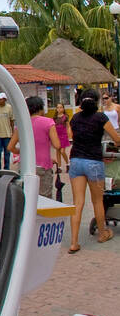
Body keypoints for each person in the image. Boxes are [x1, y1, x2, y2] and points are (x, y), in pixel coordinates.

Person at [67, 88, 120, 252]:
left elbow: (71, 136)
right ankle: (103, 233)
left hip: (76, 161)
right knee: (97, 201)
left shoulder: (75, 118)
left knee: (77, 203)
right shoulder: (100, 118)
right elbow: (116, 138)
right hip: (94, 163)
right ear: (97, 101)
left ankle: (74, 242)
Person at [7, 96, 61, 199]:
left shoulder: (22, 124)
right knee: (44, 199)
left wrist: (22, 151)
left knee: (27, 198)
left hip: (25, 166)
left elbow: (10, 147)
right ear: (41, 108)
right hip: (43, 167)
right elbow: (57, 145)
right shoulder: (48, 122)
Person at [53, 103, 71, 173]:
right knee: (58, 151)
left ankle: (68, 164)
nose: (59, 109)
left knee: (62, 151)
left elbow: (68, 126)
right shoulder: (54, 118)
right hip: (57, 136)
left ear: (63, 109)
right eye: (58, 107)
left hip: (63, 136)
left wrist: (69, 134)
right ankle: (59, 167)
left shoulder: (65, 117)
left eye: (61, 107)